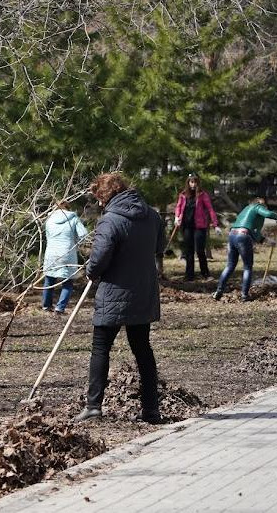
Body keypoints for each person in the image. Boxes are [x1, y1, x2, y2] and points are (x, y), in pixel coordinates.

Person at [74, 173, 165, 425]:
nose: (100, 203)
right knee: (143, 350)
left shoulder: (110, 221)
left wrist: (91, 272)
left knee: (101, 348)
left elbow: (99, 260)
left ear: (106, 196)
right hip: (143, 292)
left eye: (99, 198)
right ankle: (151, 411)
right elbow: (160, 247)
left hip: (114, 293)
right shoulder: (153, 216)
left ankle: (93, 406)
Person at [213, 198, 277, 302]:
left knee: (230, 265)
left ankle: (219, 291)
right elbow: (268, 214)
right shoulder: (257, 207)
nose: (264, 207)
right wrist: (276, 217)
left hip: (232, 235)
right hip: (243, 237)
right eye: (264, 205)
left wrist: (268, 240)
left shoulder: (245, 210)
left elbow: (254, 232)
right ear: (258, 203)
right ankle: (244, 295)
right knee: (247, 267)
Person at [42, 201, 89, 314]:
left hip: (51, 253)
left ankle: (46, 306)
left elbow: (47, 235)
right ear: (68, 208)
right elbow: (83, 234)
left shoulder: (49, 219)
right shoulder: (73, 218)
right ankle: (60, 308)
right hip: (67, 253)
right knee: (67, 282)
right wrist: (76, 241)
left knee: (49, 280)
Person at [174, 173, 221, 280]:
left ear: (198, 183)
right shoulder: (183, 195)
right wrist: (177, 217)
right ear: (188, 183)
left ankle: (205, 274)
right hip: (186, 226)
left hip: (199, 226)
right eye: (191, 182)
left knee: (200, 250)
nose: (193, 184)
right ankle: (189, 275)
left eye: (195, 182)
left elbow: (210, 209)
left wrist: (215, 225)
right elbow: (178, 207)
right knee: (188, 251)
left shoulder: (202, 195)